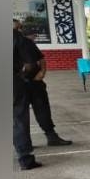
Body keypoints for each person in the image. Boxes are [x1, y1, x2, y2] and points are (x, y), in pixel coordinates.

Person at [13, 20, 72, 148]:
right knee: (20, 116)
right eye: (18, 28)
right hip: (19, 84)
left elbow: (41, 58)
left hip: (34, 82)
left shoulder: (26, 42)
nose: (19, 30)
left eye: (19, 28)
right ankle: (23, 143)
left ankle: (51, 137)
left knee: (42, 110)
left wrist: (42, 72)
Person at [13, 23, 43, 170]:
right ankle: (25, 159)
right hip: (13, 82)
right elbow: (31, 63)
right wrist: (22, 75)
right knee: (19, 119)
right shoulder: (17, 38)